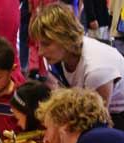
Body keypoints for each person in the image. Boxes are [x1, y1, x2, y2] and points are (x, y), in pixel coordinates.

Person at [29, 2, 124, 130]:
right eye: (39, 44)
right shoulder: (57, 58)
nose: (40, 52)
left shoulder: (96, 69)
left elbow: (98, 124)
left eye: (46, 44)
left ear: (65, 38)